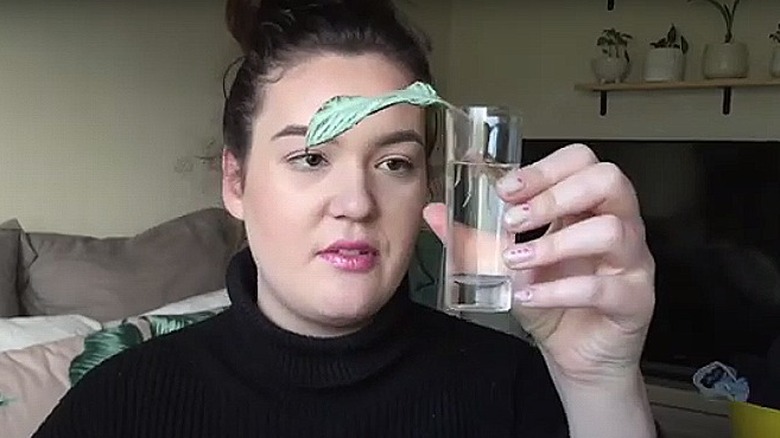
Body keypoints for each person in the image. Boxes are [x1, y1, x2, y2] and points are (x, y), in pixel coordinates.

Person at [33, 0, 659, 437]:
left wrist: (601, 383)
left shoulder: (513, 387)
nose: (357, 202)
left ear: (428, 188)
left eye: (394, 163)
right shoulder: (122, 402)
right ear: (236, 181)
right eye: (310, 157)